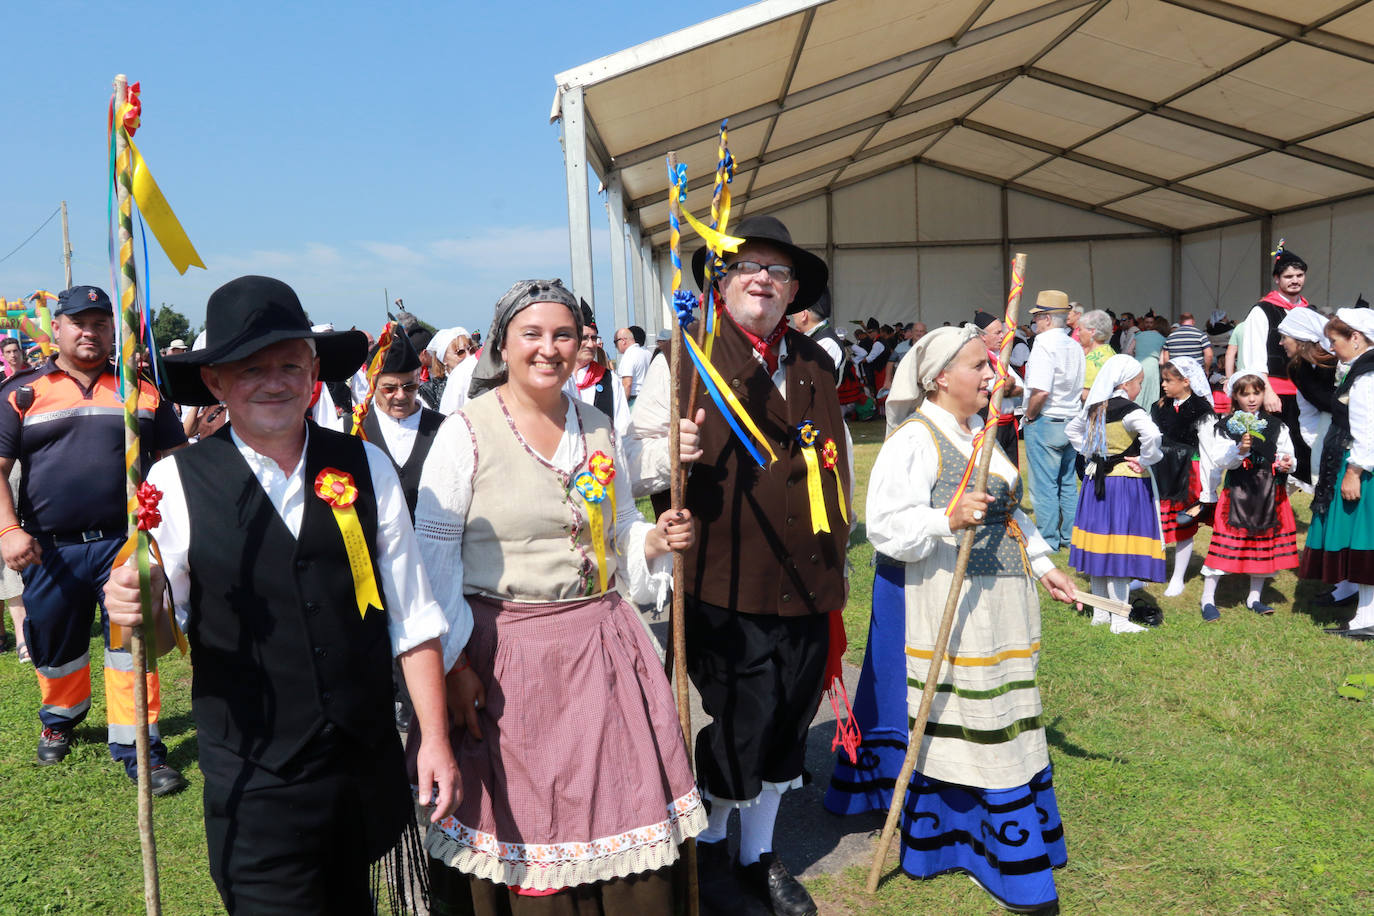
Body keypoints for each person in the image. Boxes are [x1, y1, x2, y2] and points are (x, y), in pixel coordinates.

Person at [104, 275, 463, 914]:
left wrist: (432, 735)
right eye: (251, 369)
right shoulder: (175, 482)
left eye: (290, 365)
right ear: (215, 382)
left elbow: (412, 615)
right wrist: (143, 602)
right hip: (255, 777)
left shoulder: (365, 466)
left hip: (361, 767)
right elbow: (160, 641)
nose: (275, 381)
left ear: (315, 372)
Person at [413, 278, 705, 913]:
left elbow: (619, 528)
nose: (549, 348)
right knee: (529, 824)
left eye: (564, 335)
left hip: (601, 648)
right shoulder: (464, 433)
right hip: (504, 658)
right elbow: (433, 568)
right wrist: (456, 666)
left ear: (582, 346)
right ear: (502, 345)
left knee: (619, 804)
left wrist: (656, 539)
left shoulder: (599, 425)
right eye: (533, 334)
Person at [631, 215, 850, 916]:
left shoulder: (816, 362)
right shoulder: (681, 356)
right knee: (740, 720)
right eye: (747, 267)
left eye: (778, 271)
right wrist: (674, 452)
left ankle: (746, 843)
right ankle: (735, 851)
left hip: (808, 581)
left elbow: (833, 468)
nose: (763, 279)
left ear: (793, 291)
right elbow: (632, 465)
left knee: (790, 718)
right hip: (725, 580)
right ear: (719, 284)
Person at [823, 326, 1076, 914]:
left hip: (997, 607)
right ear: (940, 378)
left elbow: (1015, 516)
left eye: (991, 367)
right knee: (964, 716)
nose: (993, 376)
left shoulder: (982, 433)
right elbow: (883, 527)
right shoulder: (914, 439)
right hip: (938, 599)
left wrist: (1043, 565)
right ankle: (978, 849)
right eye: (977, 367)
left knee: (1000, 710)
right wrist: (947, 518)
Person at [0, 285, 188, 788]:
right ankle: (60, 719)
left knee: (132, 645)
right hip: (47, 548)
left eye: (102, 322)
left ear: (114, 331)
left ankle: (139, 747)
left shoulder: (142, 391)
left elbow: (177, 465)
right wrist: (8, 530)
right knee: (56, 642)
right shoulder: (22, 392)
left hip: (124, 545)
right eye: (79, 322)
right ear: (56, 328)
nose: (91, 331)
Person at [1067, 354, 1164, 634]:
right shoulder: (1132, 411)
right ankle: (1119, 620)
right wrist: (1146, 460)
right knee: (1119, 550)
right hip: (1123, 483)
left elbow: (1072, 429)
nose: (1139, 388)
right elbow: (1154, 437)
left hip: (1096, 480)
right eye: (1139, 383)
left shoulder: (1095, 408)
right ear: (1128, 383)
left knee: (1100, 549)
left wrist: (1093, 454)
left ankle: (1100, 614)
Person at [1195, 371, 1298, 621]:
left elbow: (1288, 455)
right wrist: (1239, 450)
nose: (1252, 399)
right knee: (1224, 545)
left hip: (1268, 493)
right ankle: (1208, 597)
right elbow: (1221, 461)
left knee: (1262, 547)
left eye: (1256, 393)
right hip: (1238, 494)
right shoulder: (1225, 425)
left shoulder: (1277, 425)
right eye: (1245, 394)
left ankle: (1255, 597)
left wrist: (1286, 462)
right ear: (1235, 396)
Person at [1301, 310, 1374, 638]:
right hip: (1361, 462)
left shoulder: (1367, 376)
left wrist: (1354, 471)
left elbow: (1368, 430)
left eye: (1335, 341)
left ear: (1356, 337)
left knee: (1363, 542)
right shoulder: (1362, 369)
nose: (1332, 349)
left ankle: (1366, 619)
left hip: (1363, 465)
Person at [350, 330, 447, 518]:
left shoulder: (443, 426)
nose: (401, 396)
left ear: (419, 378)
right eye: (389, 388)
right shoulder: (350, 428)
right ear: (372, 384)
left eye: (410, 387)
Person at [1238, 243, 1312, 480]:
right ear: (1277, 279)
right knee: (1272, 448)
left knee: (1302, 450)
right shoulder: (1262, 311)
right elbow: (1254, 355)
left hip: (1305, 393)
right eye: (1288, 276)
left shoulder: (1310, 310)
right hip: (1276, 392)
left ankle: (1290, 501)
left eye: (1299, 275)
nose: (1295, 280)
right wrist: (1267, 391)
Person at [1021, 290, 1085, 551]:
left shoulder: (1043, 344)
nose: (1035, 323)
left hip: (1046, 418)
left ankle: (1049, 540)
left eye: (1037, 317)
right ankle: (1069, 536)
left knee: (1044, 485)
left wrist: (1029, 415)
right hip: (1071, 417)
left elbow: (1041, 390)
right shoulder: (1074, 344)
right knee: (1067, 482)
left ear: (1046, 318)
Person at [1151, 358, 1215, 597]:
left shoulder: (1201, 410)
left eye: (1169, 380)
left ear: (1186, 382)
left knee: (1182, 524)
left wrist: (1208, 485)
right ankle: (1149, 572)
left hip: (1187, 472)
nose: (1164, 385)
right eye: (1163, 380)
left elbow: (1209, 447)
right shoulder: (1159, 407)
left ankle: (1177, 577)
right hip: (1161, 469)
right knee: (1156, 522)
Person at [563, 302, 632, 438]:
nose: (591, 344)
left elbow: (623, 428)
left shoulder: (609, 380)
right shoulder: (557, 379)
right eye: (584, 338)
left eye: (594, 338)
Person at [973, 309, 1023, 468]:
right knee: (993, 470)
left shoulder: (1001, 358)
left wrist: (1007, 385)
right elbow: (994, 388)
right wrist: (1006, 386)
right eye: (998, 332)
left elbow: (1022, 389)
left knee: (1011, 471)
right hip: (989, 424)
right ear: (983, 336)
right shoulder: (977, 358)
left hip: (1008, 424)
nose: (1003, 336)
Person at [788, 287, 846, 381]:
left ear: (804, 314)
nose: (793, 315)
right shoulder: (813, 337)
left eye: (796, 310)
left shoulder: (827, 343)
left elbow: (807, 381)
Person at [1077, 309, 1116, 397]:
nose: (1077, 334)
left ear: (1092, 331)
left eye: (1080, 330)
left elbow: (1086, 394)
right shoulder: (1109, 350)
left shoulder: (1092, 361)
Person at [613, 324, 652, 403]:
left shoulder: (629, 355)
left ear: (623, 341)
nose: (615, 346)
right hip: (649, 399)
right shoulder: (648, 354)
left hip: (633, 400)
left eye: (615, 342)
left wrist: (622, 406)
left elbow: (627, 384)